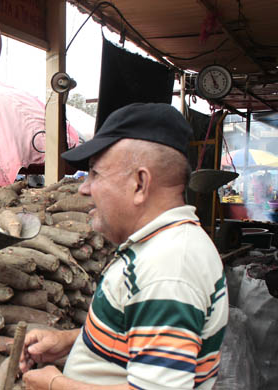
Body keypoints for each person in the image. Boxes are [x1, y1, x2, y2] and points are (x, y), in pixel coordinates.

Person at [19, 103, 228, 390]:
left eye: (95, 174)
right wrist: (70, 341)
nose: (83, 188)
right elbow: (139, 336)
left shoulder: (168, 265)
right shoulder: (159, 246)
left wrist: (54, 383)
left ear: (140, 183)